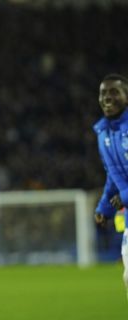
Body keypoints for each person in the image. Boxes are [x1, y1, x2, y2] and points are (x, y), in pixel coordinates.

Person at [93, 73, 128, 302]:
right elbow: (113, 175)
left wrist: (125, 196)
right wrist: (104, 207)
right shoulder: (104, 133)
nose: (108, 97)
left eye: (114, 92)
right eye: (103, 92)